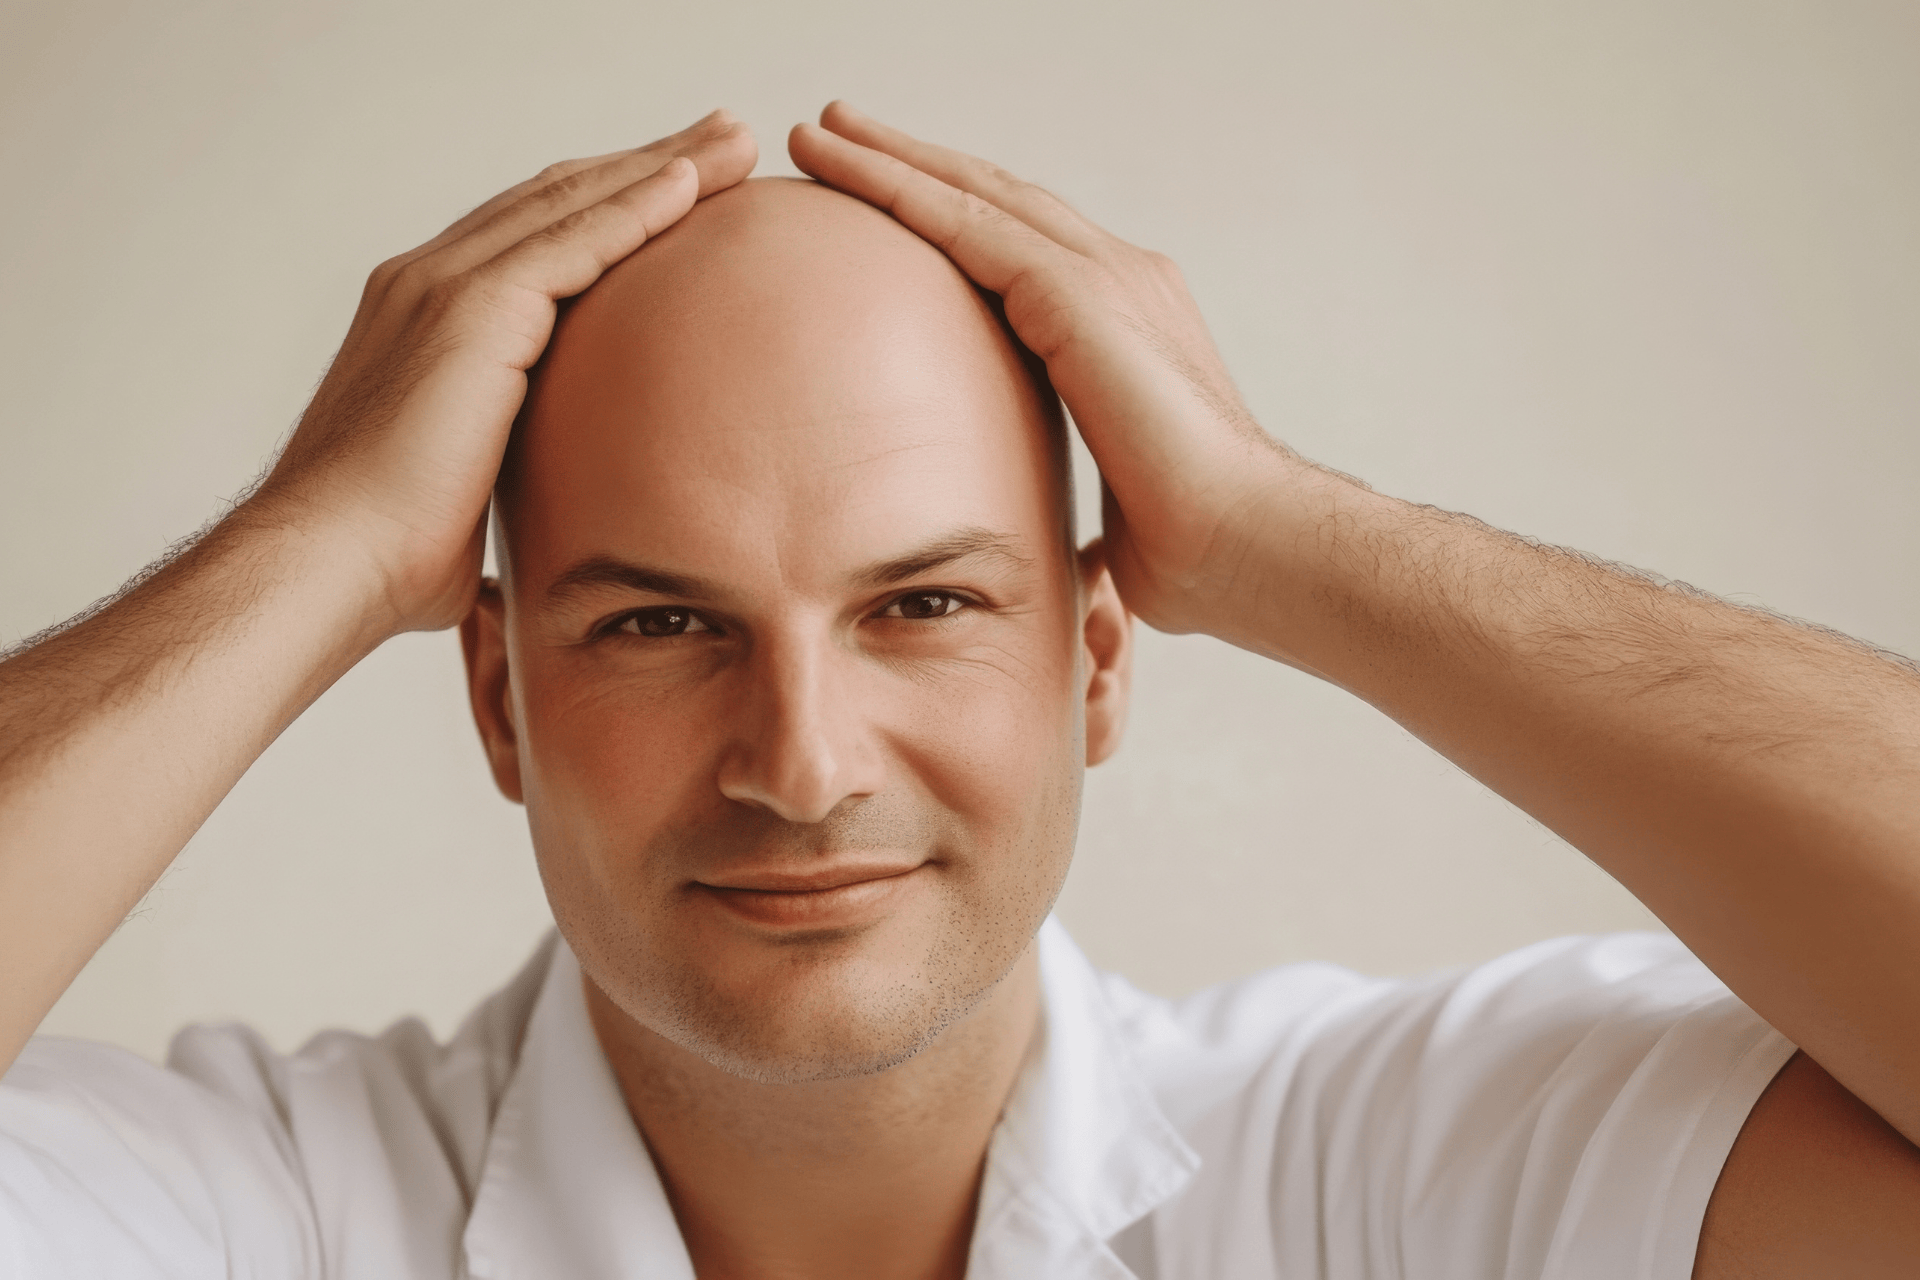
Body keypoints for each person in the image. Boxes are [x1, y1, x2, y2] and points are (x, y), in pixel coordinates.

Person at [0, 101, 1915, 1278]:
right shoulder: (266, 1215)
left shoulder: (1395, 1177)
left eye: (922, 604)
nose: (803, 765)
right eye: (657, 626)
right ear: (497, 703)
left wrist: (1281, 529)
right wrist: (317, 547)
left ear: (1097, 659)